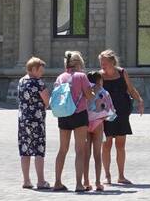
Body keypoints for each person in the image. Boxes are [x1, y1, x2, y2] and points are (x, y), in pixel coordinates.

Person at [52, 51, 96, 192]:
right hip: (79, 114)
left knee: (62, 149)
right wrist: (92, 91)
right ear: (78, 63)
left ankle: (57, 182)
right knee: (80, 150)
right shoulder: (81, 76)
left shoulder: (60, 77)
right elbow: (89, 96)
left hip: (63, 114)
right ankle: (78, 184)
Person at [98, 50, 143, 185]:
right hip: (106, 114)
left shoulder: (122, 72)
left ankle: (121, 176)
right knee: (106, 145)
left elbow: (130, 89)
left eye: (104, 63)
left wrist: (140, 101)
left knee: (120, 145)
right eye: (101, 63)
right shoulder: (99, 76)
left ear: (112, 62)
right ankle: (107, 175)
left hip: (122, 113)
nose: (102, 65)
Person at [17, 56, 50, 189]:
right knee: (38, 150)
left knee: (25, 150)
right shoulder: (39, 83)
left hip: (23, 120)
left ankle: (26, 180)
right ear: (34, 69)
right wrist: (43, 106)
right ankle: (41, 181)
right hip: (37, 120)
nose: (42, 73)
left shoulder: (21, 81)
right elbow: (47, 100)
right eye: (40, 70)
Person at [85, 71, 116, 191]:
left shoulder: (86, 91)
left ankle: (86, 181)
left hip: (86, 123)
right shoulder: (104, 92)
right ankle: (98, 182)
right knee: (97, 154)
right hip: (98, 123)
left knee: (85, 155)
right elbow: (111, 111)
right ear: (100, 80)